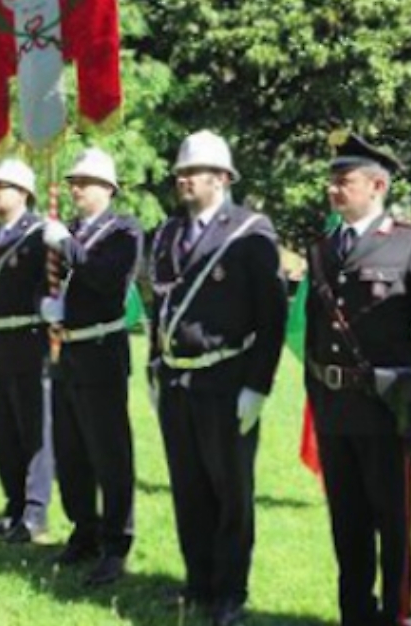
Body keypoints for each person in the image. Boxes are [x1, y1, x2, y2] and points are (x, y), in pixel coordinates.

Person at [304, 131, 411, 626]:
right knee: (346, 523)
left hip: (387, 409)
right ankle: (354, 614)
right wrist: (314, 392)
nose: (333, 190)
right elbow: (313, 327)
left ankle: (397, 614)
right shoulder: (324, 247)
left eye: (343, 181)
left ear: (376, 186)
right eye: (332, 181)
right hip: (334, 408)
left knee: (393, 523)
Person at [149, 130, 288, 626]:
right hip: (178, 380)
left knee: (231, 491)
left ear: (223, 178)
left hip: (227, 378)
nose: (183, 180)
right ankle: (199, 581)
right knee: (188, 487)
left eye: (194, 172)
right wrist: (153, 365)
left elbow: (273, 316)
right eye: (181, 173)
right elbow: (160, 306)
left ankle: (231, 590)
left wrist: (258, 385)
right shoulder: (167, 233)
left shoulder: (250, 230)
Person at [40, 148, 143, 586]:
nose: (76, 188)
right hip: (66, 351)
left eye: (84, 182)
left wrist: (65, 243)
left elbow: (107, 279)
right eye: (73, 181)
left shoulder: (124, 231)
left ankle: (116, 543)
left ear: (108, 188)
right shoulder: (70, 230)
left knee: (109, 452)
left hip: (102, 349)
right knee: (71, 450)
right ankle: (84, 529)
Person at [0, 157, 52, 543]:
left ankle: (36, 513)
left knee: (33, 430)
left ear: (23, 193)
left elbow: (53, 286)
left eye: (0, 185)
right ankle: (14, 505)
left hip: (29, 341)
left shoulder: (40, 234)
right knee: (3, 430)